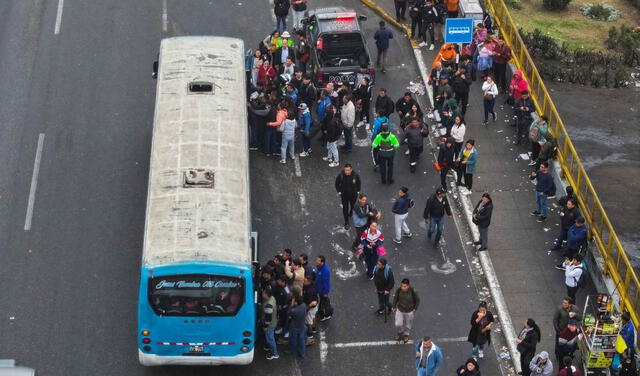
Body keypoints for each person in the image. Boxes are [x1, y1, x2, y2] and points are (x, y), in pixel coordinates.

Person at [335, 164, 362, 230]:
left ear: (351, 170)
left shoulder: (355, 175)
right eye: (345, 170)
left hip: (353, 195)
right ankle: (346, 222)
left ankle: (351, 213)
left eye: (348, 170)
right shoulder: (340, 175)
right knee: (345, 208)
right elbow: (336, 183)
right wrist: (339, 191)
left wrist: (358, 191)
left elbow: (359, 183)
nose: (346, 172)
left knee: (353, 205)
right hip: (344, 195)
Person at [394, 279, 420, 343]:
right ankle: (400, 332)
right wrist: (394, 306)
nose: (403, 288)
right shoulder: (399, 289)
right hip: (400, 309)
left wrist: (415, 308)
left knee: (408, 324)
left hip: (409, 311)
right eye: (402, 286)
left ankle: (406, 334)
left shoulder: (413, 291)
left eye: (404, 286)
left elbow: (418, 300)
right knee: (398, 324)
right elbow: (396, 297)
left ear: (408, 286)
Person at [262, 287, 280, 360]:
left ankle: (275, 354)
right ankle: (269, 348)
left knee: (270, 339)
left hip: (270, 325)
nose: (262, 293)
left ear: (266, 294)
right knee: (269, 337)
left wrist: (265, 326)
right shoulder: (272, 298)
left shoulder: (269, 305)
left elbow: (268, 318)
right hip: (274, 321)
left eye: (263, 292)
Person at [315, 255, 332, 321]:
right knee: (322, 302)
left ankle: (322, 316)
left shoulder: (325, 271)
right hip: (319, 289)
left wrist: (325, 293)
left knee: (323, 304)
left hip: (323, 292)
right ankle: (320, 312)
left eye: (318, 261)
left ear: (322, 262)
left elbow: (326, 283)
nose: (316, 261)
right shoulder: (319, 267)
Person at [302, 274, 318, 342]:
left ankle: (310, 333)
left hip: (311, 307)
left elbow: (309, 303)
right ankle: (314, 328)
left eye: (304, 280)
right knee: (313, 317)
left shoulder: (308, 291)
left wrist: (307, 308)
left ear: (308, 281)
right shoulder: (313, 285)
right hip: (315, 306)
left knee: (309, 322)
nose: (303, 280)